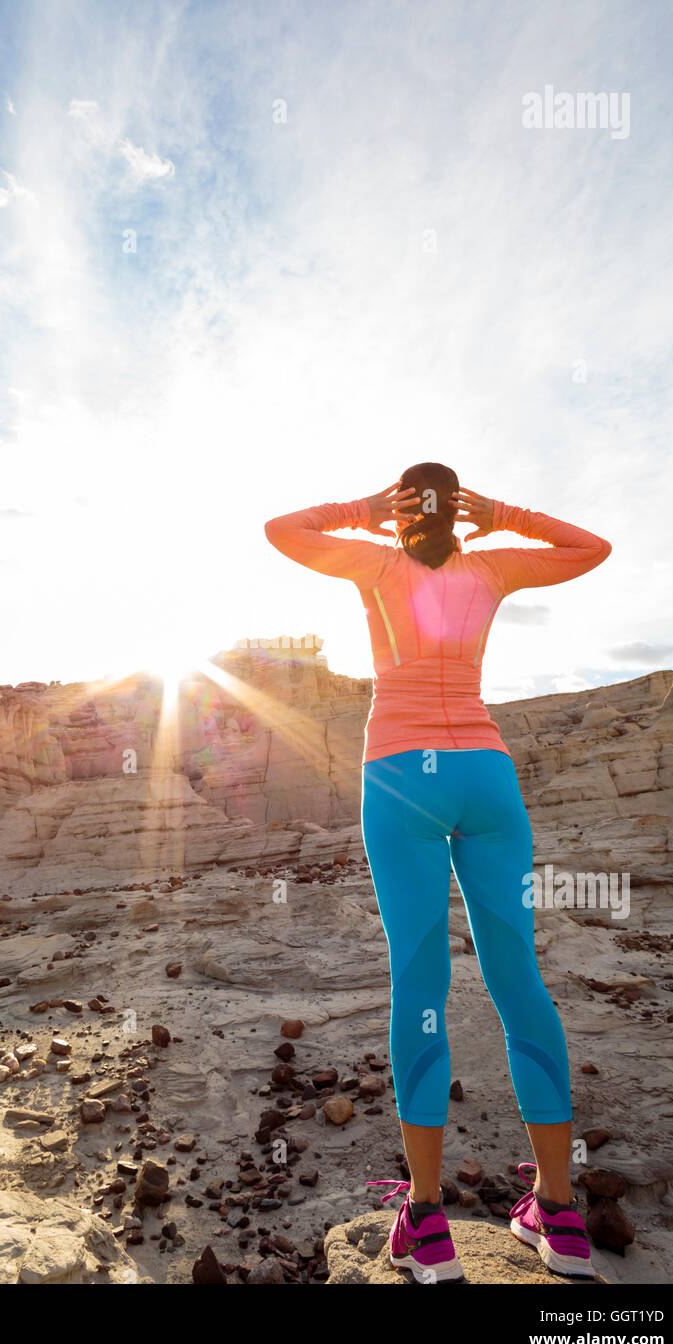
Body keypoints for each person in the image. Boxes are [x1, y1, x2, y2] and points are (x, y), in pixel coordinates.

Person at [264, 463, 612, 1283]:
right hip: (485, 774)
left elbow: (281, 531)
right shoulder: (490, 565)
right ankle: (559, 1215)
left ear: (397, 512)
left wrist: (359, 510)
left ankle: (426, 1223)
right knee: (518, 980)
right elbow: (591, 547)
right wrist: (503, 514)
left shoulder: (377, 562)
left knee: (420, 985)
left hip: (399, 775)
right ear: (459, 511)